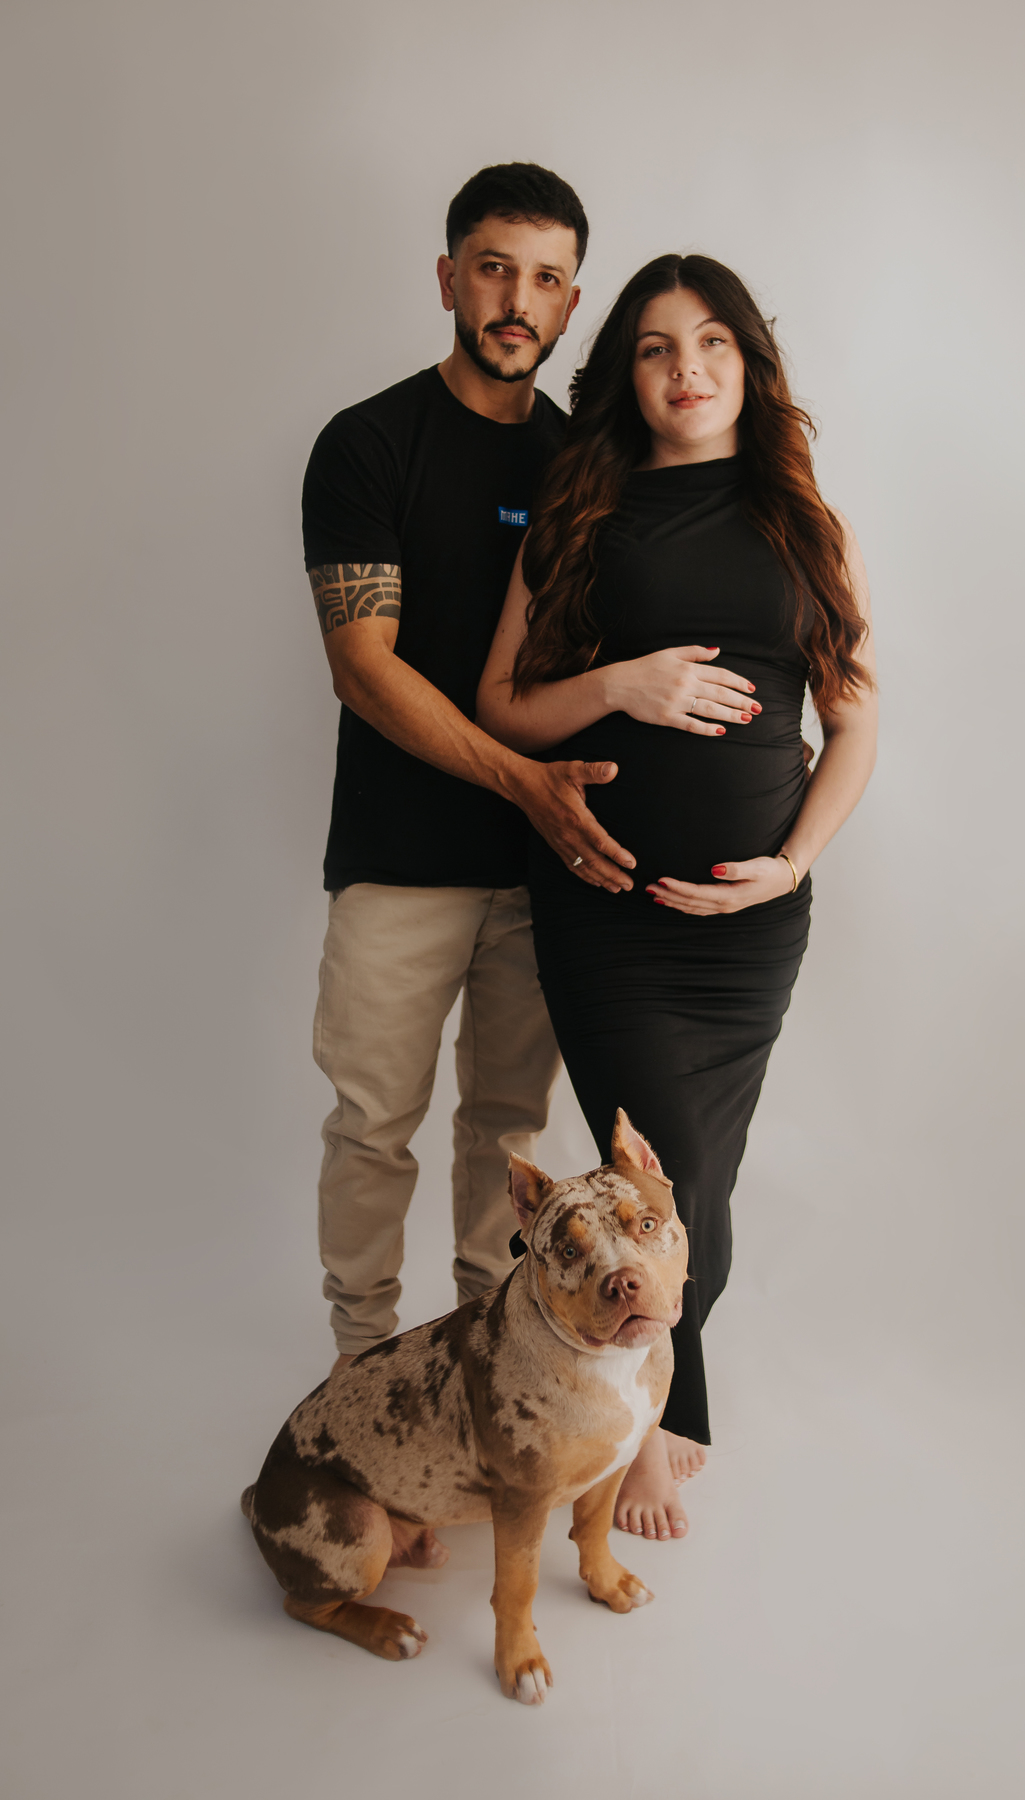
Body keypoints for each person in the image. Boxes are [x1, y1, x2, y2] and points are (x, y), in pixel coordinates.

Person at [477, 254, 878, 1539]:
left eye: (712, 343)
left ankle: (646, 1385)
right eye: (655, 347)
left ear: (750, 365)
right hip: (608, 909)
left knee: (703, 1183)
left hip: (750, 931)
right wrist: (621, 684)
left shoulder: (804, 524)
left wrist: (793, 862)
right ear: (627, 375)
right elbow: (502, 706)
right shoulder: (579, 517)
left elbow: (856, 723)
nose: (686, 369)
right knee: (665, 1167)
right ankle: (655, 1419)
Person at [301, 162, 637, 1372]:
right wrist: (520, 780)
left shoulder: (588, 467)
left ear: (571, 303)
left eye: (546, 280)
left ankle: (494, 1365)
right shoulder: (368, 444)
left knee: (510, 1135)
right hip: (400, 859)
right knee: (373, 1125)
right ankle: (362, 1367)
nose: (517, 300)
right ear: (449, 278)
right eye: (495, 269)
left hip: (544, 869)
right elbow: (364, 666)